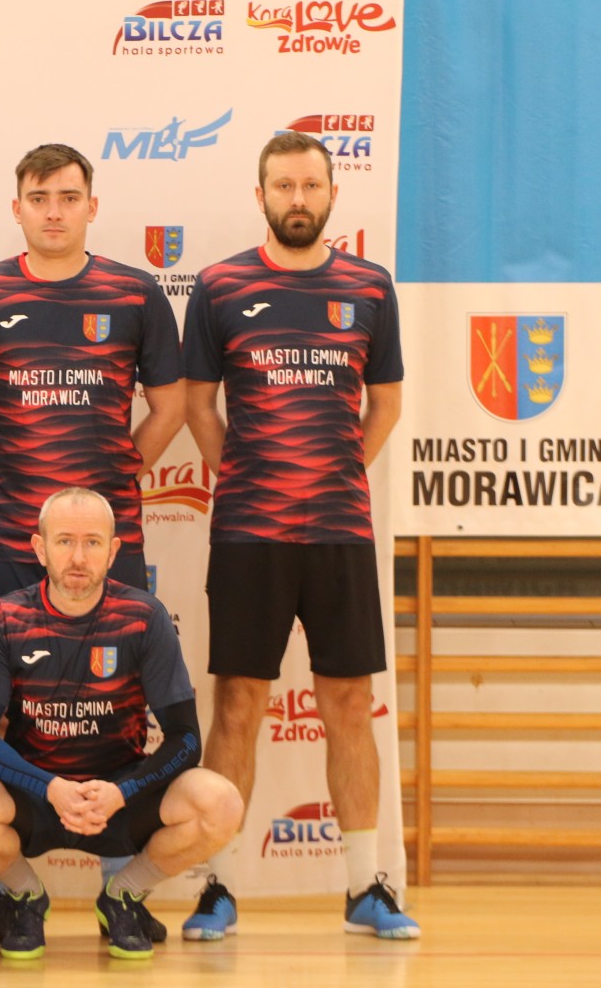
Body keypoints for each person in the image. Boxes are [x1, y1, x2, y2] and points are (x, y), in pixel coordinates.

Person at [0, 143, 184, 935]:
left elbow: (171, 406)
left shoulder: (135, 293)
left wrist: (112, 484)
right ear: (17, 208)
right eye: (38, 197)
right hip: (5, 538)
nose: (53, 210)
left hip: (111, 544)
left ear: (91, 206)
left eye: (68, 197)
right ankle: (5, 890)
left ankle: (121, 885)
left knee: (122, 704)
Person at [181, 131, 415, 940]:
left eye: (311, 185)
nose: (298, 199)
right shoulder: (219, 286)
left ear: (332, 195)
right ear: (261, 196)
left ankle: (365, 888)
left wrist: (337, 472)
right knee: (238, 704)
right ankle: (219, 887)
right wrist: (246, 476)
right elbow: (199, 405)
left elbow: (385, 403)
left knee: (348, 702)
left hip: (340, 531)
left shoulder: (369, 287)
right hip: (249, 533)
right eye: (283, 186)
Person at [0, 487, 242, 960]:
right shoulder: (5, 617)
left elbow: (185, 738)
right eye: (64, 541)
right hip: (36, 795)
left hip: (119, 796)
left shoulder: (144, 617)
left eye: (92, 543)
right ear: (40, 548)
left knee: (220, 803)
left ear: (113, 551)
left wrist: (122, 791)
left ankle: (122, 896)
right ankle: (26, 897)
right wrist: (49, 787)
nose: (78, 558)